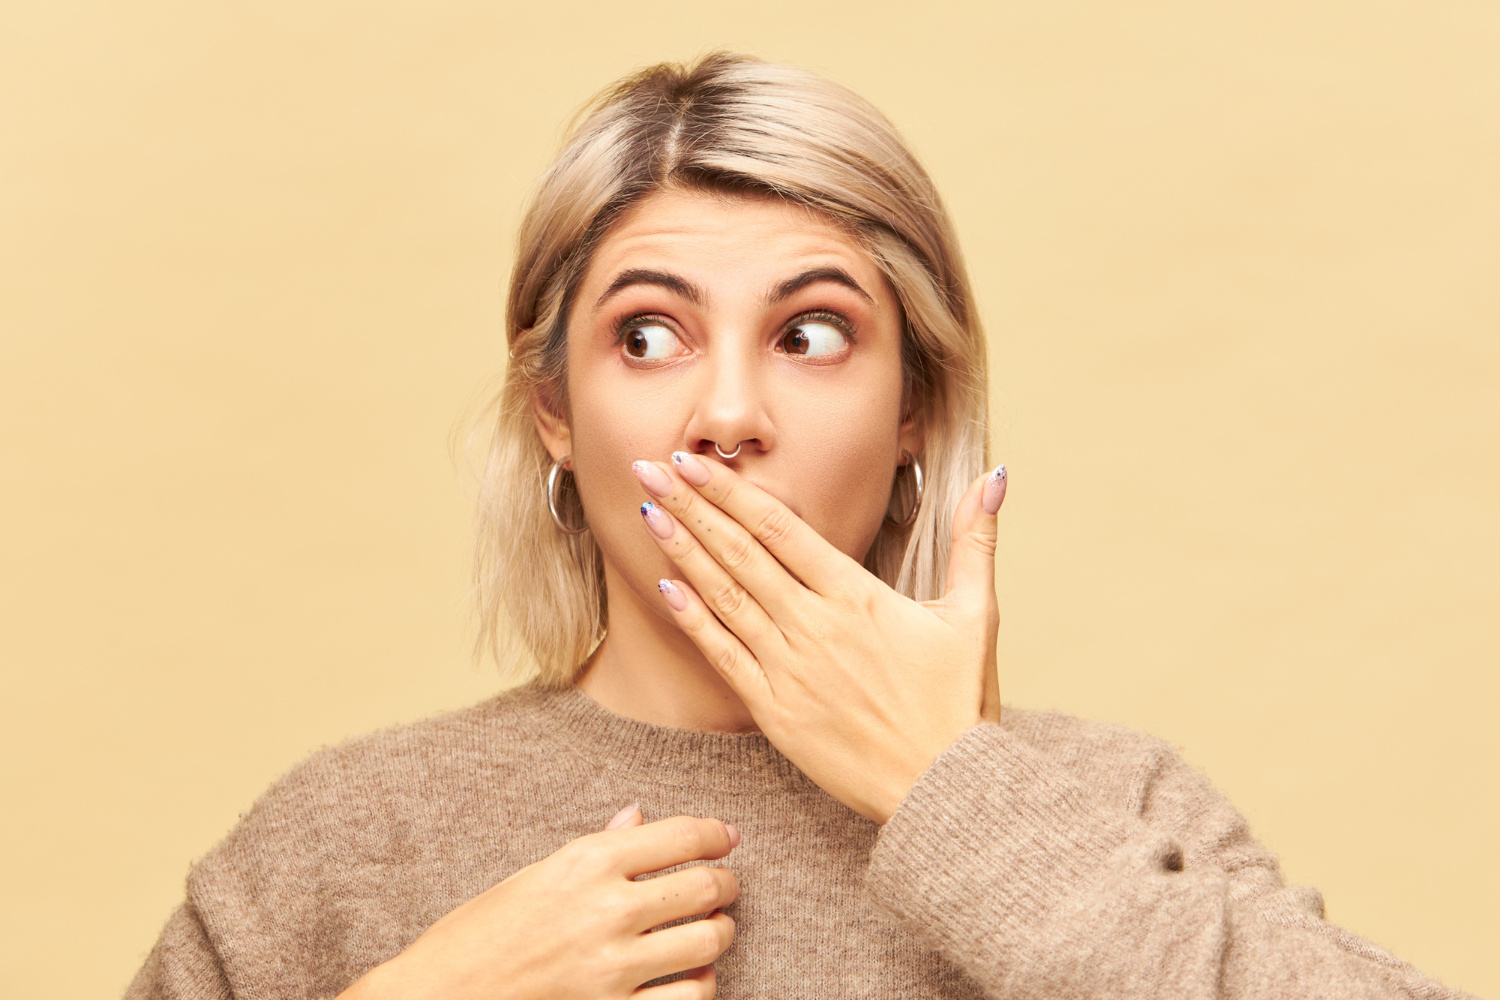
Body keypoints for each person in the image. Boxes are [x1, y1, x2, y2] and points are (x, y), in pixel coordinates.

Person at [126, 53, 1471, 1000]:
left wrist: (953, 793)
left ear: (914, 409)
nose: (727, 414)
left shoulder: (1110, 806)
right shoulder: (344, 839)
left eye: (812, 334)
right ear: (553, 412)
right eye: (646, 335)